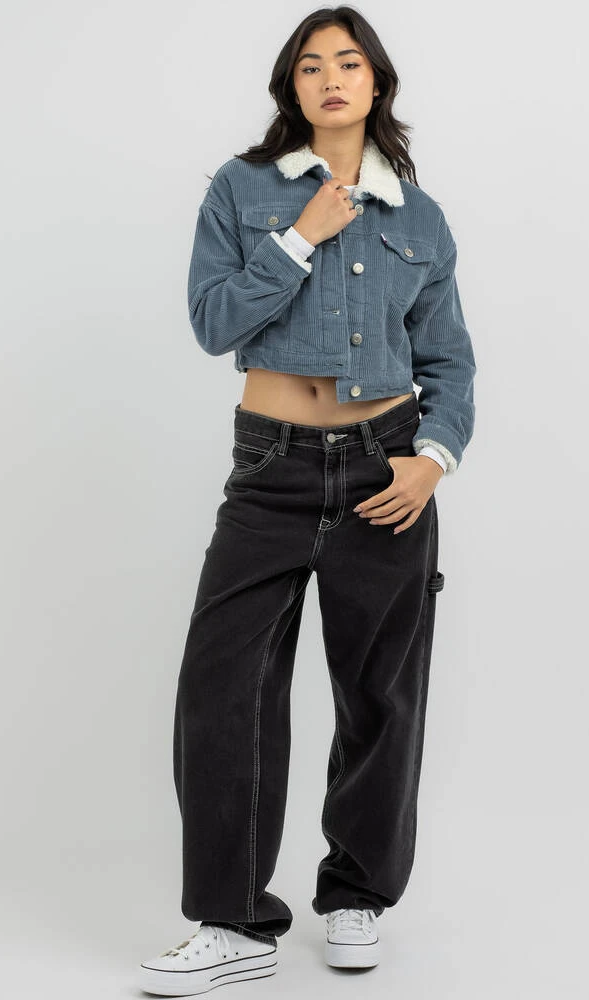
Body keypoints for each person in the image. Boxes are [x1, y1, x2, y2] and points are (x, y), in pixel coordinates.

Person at [139, 6, 476, 995]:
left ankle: (356, 896)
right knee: (223, 688)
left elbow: (449, 361)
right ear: (291, 86)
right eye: (311, 65)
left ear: (376, 83)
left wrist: (433, 458)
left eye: (349, 62)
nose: (331, 78)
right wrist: (296, 237)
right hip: (270, 470)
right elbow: (213, 323)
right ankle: (234, 922)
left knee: (380, 693)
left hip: (385, 469)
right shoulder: (241, 189)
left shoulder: (419, 216)